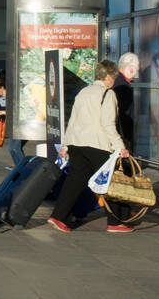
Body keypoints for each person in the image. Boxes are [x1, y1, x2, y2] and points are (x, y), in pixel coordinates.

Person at [49, 59, 132, 233]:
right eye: (113, 77)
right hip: (98, 144)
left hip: (77, 143)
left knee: (74, 181)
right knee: (111, 182)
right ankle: (115, 222)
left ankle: (58, 216)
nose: (114, 81)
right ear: (108, 77)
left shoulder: (84, 92)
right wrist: (120, 146)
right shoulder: (108, 94)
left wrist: (66, 145)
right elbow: (108, 124)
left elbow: (73, 121)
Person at [0, 75, 26, 168]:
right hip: (16, 125)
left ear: (2, 87)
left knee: (14, 148)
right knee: (14, 148)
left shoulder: (12, 95)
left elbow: (19, 109)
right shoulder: (5, 97)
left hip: (21, 124)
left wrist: (1, 112)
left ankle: (23, 168)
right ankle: (20, 167)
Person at [112, 52, 138, 153]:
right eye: (136, 71)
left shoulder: (114, 80)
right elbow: (124, 113)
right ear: (131, 69)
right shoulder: (123, 86)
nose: (136, 74)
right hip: (122, 134)